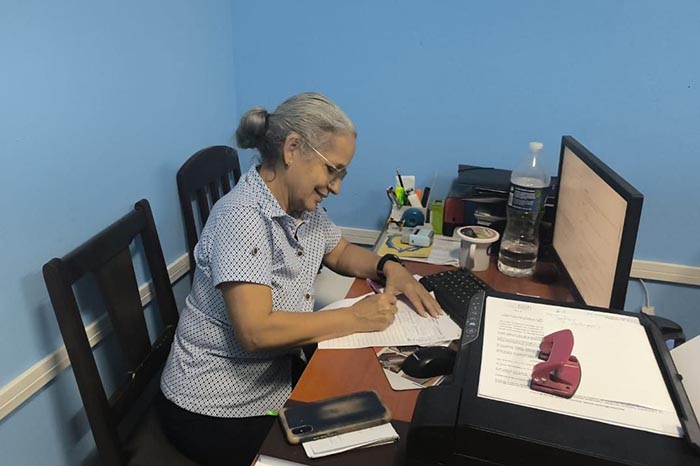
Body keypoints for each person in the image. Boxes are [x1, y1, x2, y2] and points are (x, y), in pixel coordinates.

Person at [157, 92, 440, 465]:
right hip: (214, 406)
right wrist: (356, 317)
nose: (336, 187)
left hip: (272, 380)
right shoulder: (242, 217)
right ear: (292, 149)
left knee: (382, 425)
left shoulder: (299, 205)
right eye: (332, 170)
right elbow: (256, 332)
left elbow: (339, 251)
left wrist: (389, 267)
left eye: (342, 174)